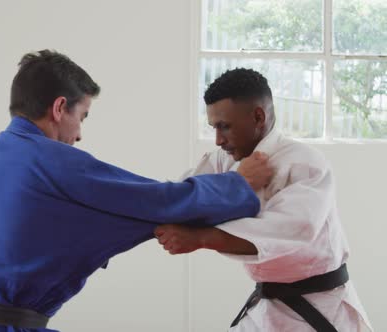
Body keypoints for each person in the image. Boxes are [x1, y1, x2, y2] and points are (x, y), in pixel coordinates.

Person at [0, 51, 273, 332]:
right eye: (82, 116)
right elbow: (158, 202)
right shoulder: (52, 160)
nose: (79, 134)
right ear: (59, 108)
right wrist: (238, 184)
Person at [155, 68, 373, 331]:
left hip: (321, 308)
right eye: (214, 127)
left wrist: (202, 238)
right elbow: (184, 196)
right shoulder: (225, 160)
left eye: (225, 126)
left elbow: (291, 228)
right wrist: (237, 181)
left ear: (258, 116)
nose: (218, 139)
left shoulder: (305, 162)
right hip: (268, 307)